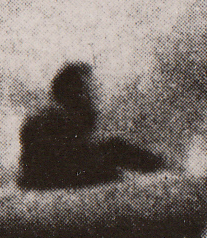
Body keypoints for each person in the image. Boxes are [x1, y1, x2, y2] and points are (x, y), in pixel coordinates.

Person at [17, 63, 167, 191]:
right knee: (114, 149)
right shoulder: (60, 117)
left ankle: (162, 166)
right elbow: (70, 158)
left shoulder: (54, 114)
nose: (94, 93)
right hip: (53, 178)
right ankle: (164, 167)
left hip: (43, 178)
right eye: (88, 88)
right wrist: (108, 173)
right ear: (74, 91)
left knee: (113, 149)